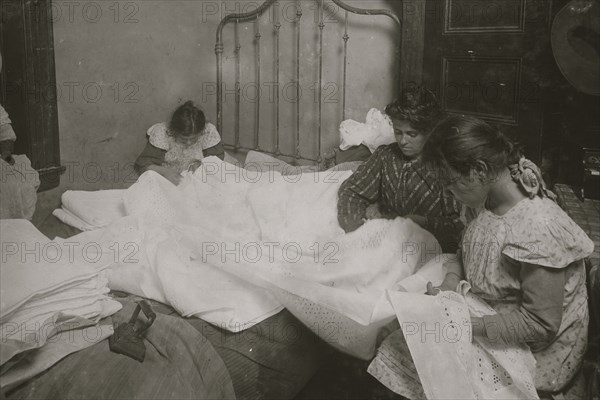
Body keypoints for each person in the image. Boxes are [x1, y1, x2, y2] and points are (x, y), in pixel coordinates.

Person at [421, 115, 593, 395]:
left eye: (450, 184)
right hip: (493, 319)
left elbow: (540, 324)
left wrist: (465, 326)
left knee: (428, 357)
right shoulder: (486, 201)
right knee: (413, 336)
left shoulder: (538, 226)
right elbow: (466, 252)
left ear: (478, 170)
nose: (448, 193)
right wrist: (450, 282)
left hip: (535, 353)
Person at [336, 87, 464, 252]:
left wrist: (423, 222)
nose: (403, 141)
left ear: (430, 132)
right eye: (398, 132)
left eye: (412, 134)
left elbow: (458, 227)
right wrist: (357, 232)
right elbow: (351, 191)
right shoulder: (386, 156)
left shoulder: (444, 166)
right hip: (385, 243)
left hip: (427, 249)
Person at [134, 101, 225, 185]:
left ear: (201, 132)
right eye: (183, 140)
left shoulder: (208, 132)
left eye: (193, 139)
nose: (189, 143)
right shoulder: (163, 133)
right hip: (167, 180)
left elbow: (217, 162)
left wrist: (202, 166)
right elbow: (143, 165)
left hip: (197, 181)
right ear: (174, 131)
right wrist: (165, 172)